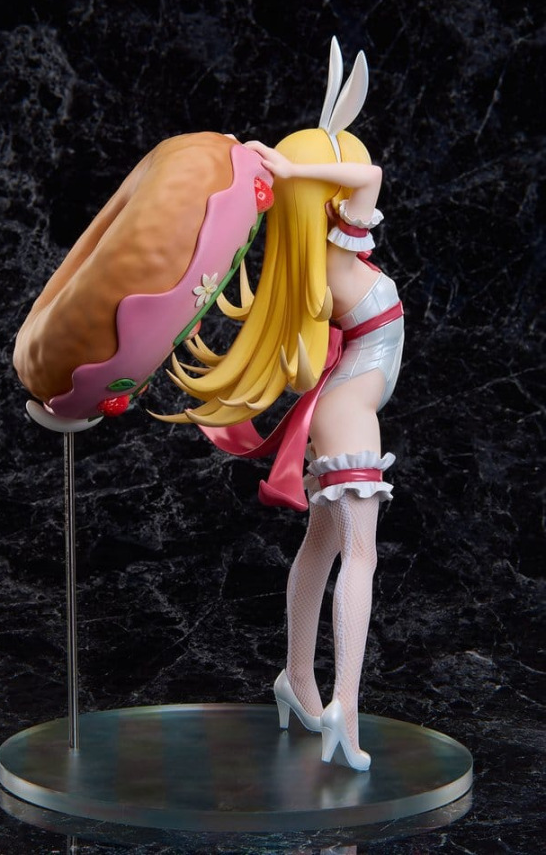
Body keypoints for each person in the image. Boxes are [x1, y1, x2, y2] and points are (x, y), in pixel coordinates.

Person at [164, 40, 404, 770]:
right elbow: (371, 174)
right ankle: (344, 710)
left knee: (323, 546)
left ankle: (297, 681)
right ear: (324, 195)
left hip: (348, 395)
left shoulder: (325, 250)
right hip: (351, 406)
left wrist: (300, 173)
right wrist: (299, 170)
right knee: (360, 555)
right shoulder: (330, 256)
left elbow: (362, 179)